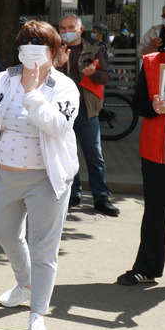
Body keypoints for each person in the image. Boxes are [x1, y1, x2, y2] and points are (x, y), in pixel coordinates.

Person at [0, 19, 80, 330]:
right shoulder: (5, 78)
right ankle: (24, 284)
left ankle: (37, 315)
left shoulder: (63, 87)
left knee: (44, 250)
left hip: (46, 179)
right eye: (25, 41)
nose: (31, 47)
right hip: (6, 175)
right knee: (5, 234)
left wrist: (33, 94)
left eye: (39, 42)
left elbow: (57, 127)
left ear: (55, 51)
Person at [117, 7, 165, 299]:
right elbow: (137, 104)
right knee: (155, 211)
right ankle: (146, 268)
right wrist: (153, 106)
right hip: (159, 150)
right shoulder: (152, 62)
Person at [56, 15, 120, 216]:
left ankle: (101, 197)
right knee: (67, 154)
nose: (66, 31)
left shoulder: (93, 50)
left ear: (81, 29)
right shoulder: (54, 49)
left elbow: (105, 78)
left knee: (94, 155)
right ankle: (72, 194)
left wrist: (92, 73)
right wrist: (57, 63)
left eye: (71, 27)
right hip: (61, 111)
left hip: (86, 110)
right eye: (63, 27)